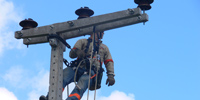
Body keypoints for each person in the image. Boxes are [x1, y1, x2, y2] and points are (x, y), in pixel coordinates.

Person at [40, 7, 115, 100]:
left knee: (81, 85)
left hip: (91, 71)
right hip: (77, 68)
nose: (103, 34)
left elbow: (109, 62)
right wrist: (77, 52)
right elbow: (71, 54)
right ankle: (49, 97)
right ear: (97, 31)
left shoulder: (104, 48)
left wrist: (110, 75)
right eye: (102, 32)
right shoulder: (83, 41)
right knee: (62, 76)